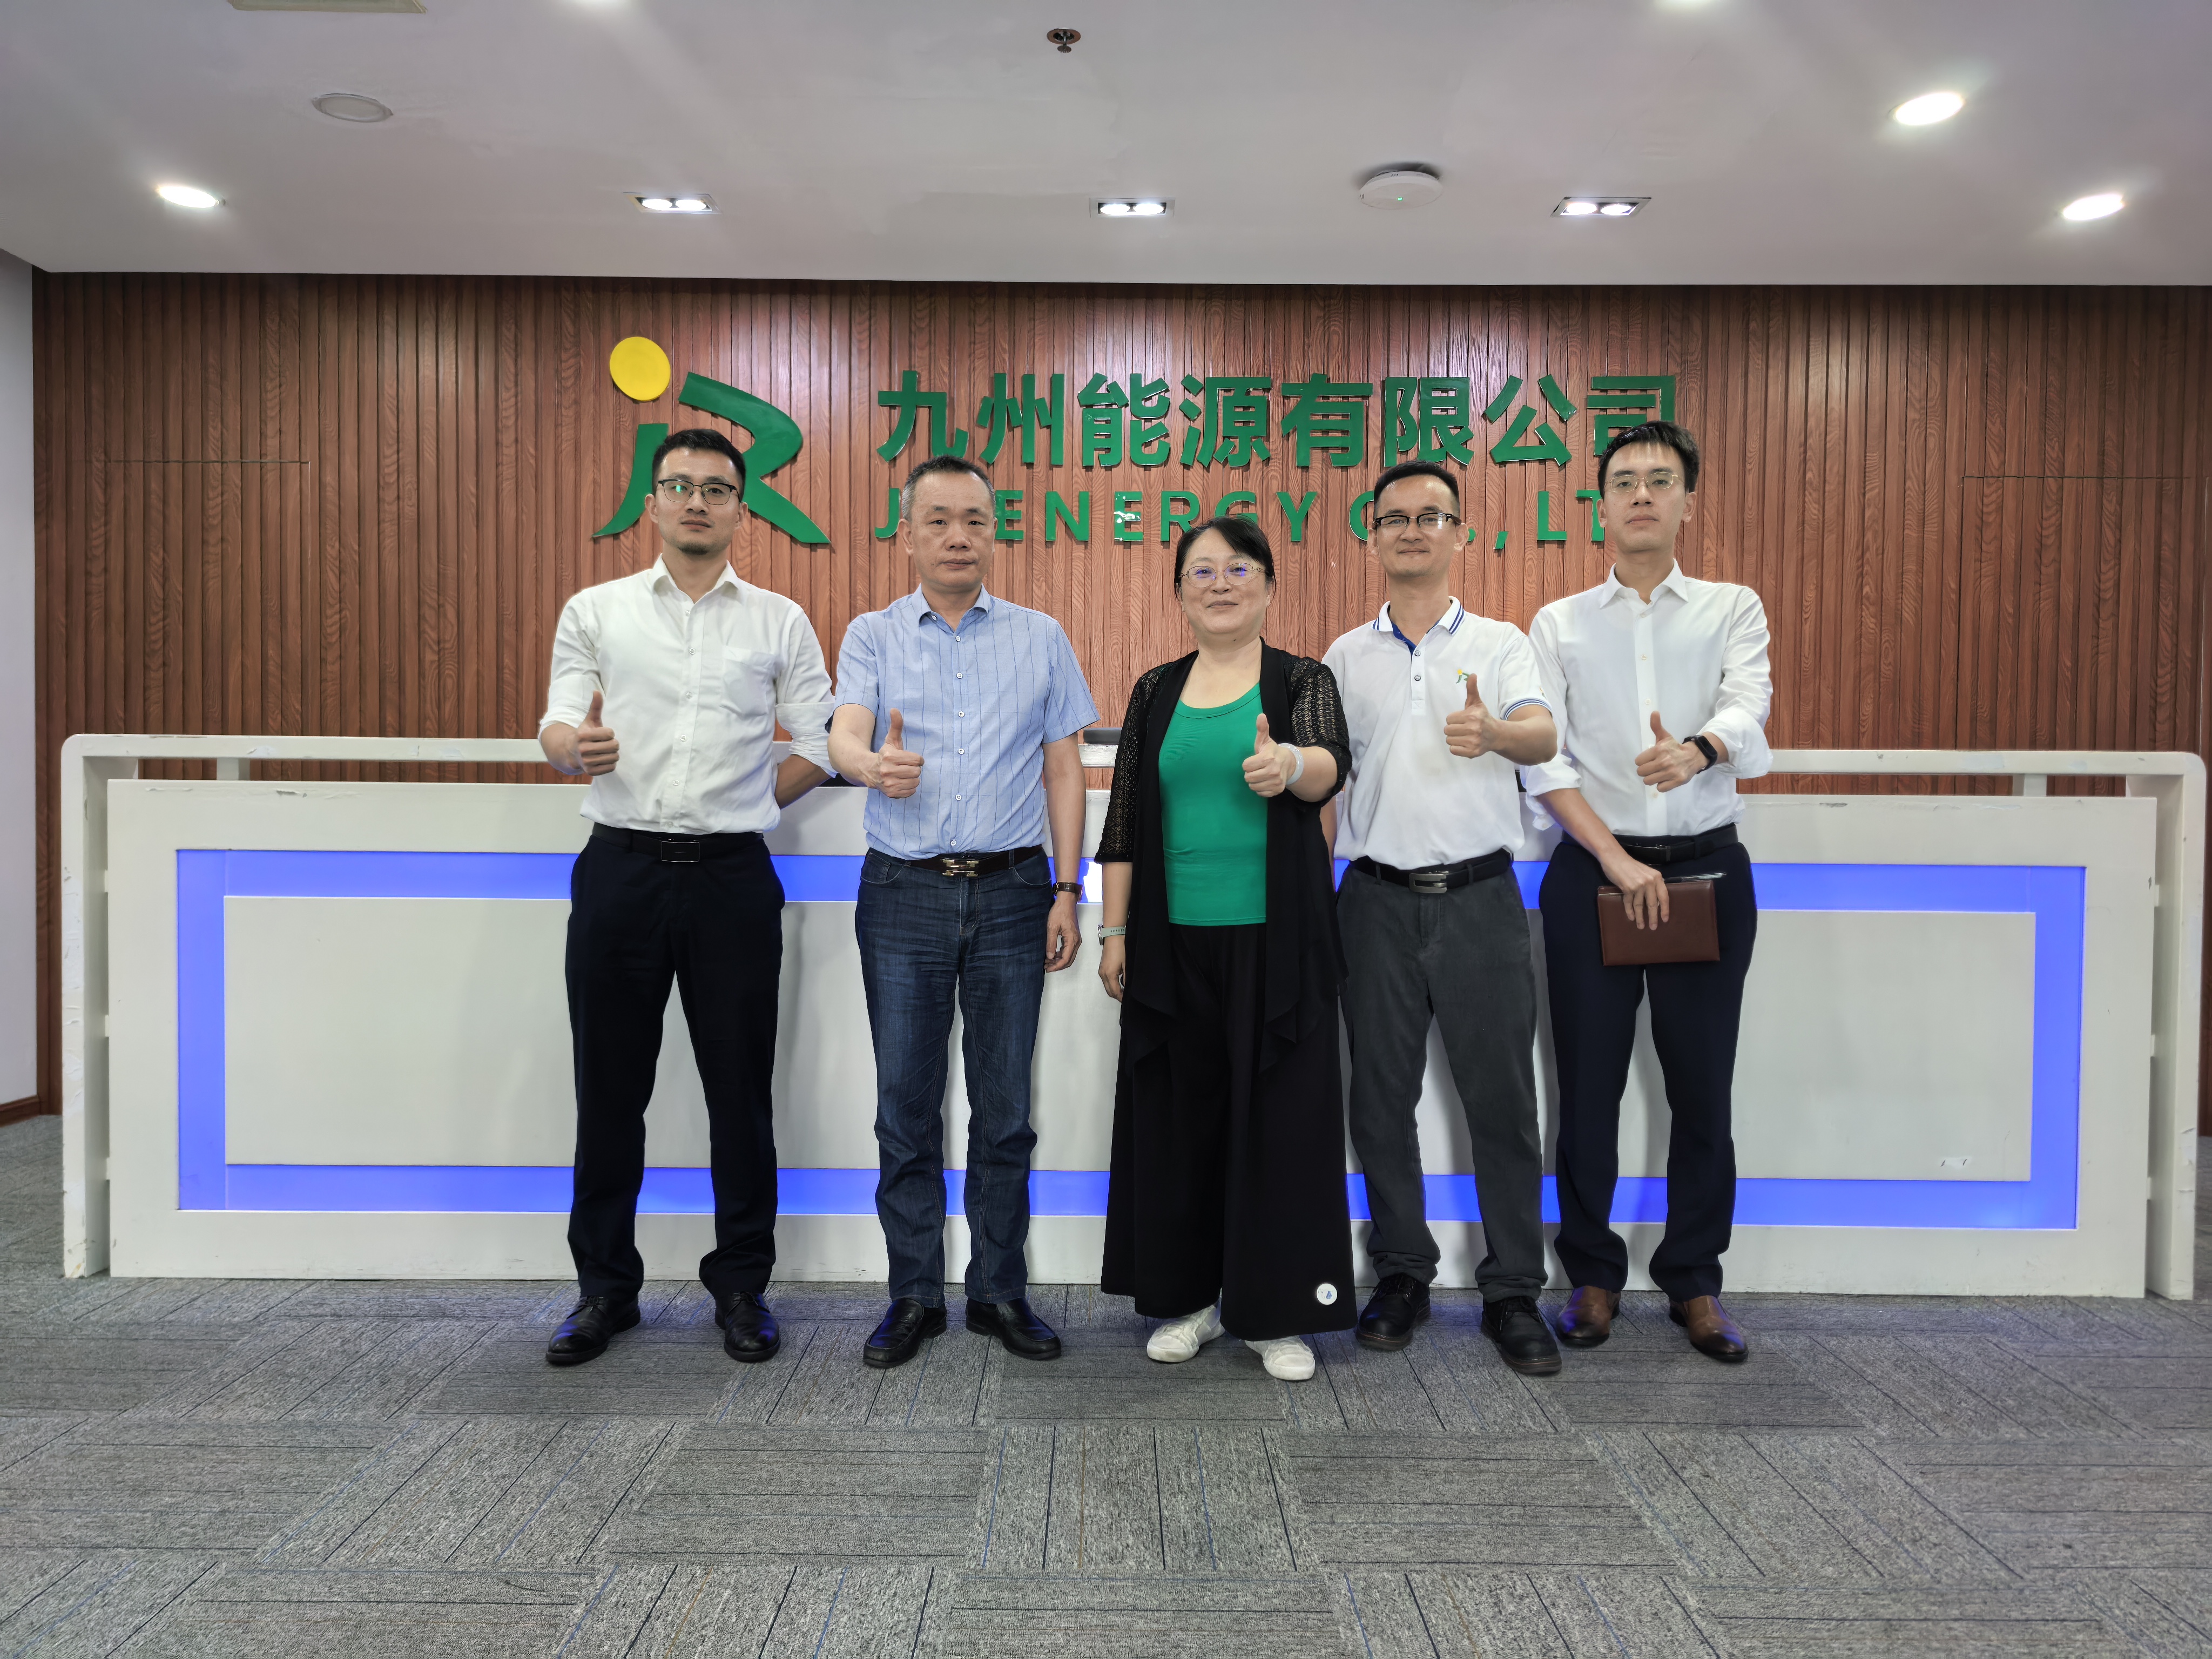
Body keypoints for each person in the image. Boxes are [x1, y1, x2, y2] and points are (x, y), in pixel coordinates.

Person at [537, 426, 833, 1367]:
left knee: (739, 1093)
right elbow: (557, 719)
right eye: (678, 485)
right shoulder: (598, 610)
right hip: (619, 870)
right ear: (652, 502)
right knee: (607, 1092)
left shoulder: (779, 620)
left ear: (741, 508)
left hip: (732, 879)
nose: (696, 501)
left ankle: (742, 1287)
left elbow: (819, 741)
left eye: (715, 488)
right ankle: (604, 1291)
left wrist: (751, 801)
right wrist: (571, 749)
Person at [828, 454, 1097, 1371]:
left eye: (974, 520)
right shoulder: (872, 635)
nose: (957, 537)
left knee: (1006, 1108)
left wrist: (1068, 888)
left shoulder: (1041, 637)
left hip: (1016, 894)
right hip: (902, 892)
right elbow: (845, 731)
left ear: (994, 532)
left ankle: (997, 1292)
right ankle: (913, 1294)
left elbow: (1064, 770)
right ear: (907, 534)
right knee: (904, 1108)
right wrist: (871, 766)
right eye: (938, 520)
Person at [1522, 419, 1772, 1362]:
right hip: (1595, 869)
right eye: (1623, 480)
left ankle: (1696, 1281)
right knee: (1586, 1088)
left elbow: (1750, 708)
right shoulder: (1558, 624)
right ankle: (1592, 1276)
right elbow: (1546, 761)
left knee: (1702, 1088)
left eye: (1659, 480)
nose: (1640, 494)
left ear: (1687, 503)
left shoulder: (1731, 608)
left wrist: (1699, 749)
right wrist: (1616, 859)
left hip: (1706, 866)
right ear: (1601, 505)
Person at [1095, 516, 1354, 1382]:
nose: (1220, 584)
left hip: (1279, 947)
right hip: (1173, 946)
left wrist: (1290, 766)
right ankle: (1194, 1301)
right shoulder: (1155, 690)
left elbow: (1330, 762)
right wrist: (1115, 932)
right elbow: (1124, 821)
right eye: (1201, 571)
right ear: (1179, 593)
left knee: (1280, 1127)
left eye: (1239, 569)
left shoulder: (1302, 678)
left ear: (1269, 587)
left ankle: (1276, 1313)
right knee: (1184, 1126)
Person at [1322, 461, 1563, 1375]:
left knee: (1502, 1102)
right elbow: (1327, 785)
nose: (1413, 530)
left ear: (1461, 532)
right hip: (1374, 902)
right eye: (1395, 518)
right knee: (1379, 1101)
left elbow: (1543, 734)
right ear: (1373, 536)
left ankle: (1513, 1290)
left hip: (1480, 902)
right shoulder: (1346, 656)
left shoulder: (1501, 644)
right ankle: (1402, 1273)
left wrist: (1495, 734)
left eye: (1431, 516)